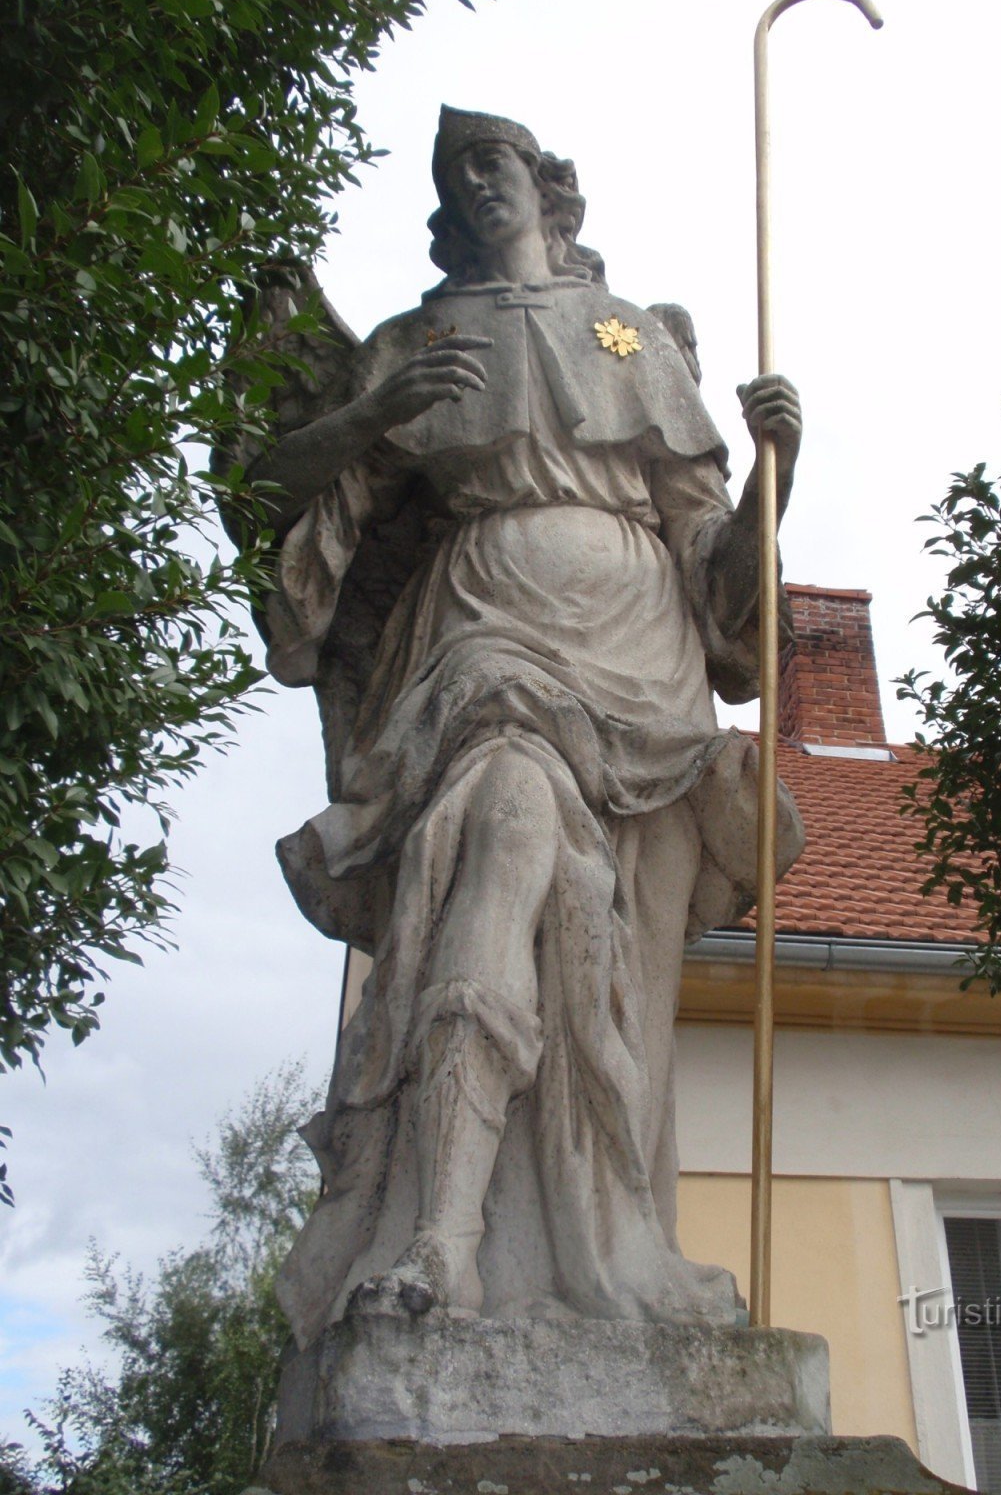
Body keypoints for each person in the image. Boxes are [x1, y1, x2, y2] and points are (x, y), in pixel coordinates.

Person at [243, 107, 804, 1349]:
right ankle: (439, 1238)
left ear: (550, 190)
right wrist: (360, 415)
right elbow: (280, 494)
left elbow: (713, 556)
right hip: (483, 634)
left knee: (625, 964)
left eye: (490, 159)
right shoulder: (417, 339)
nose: (471, 181)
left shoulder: (634, 337)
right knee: (493, 838)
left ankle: (612, 1245)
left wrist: (776, 472)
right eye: (453, 173)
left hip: (645, 673)